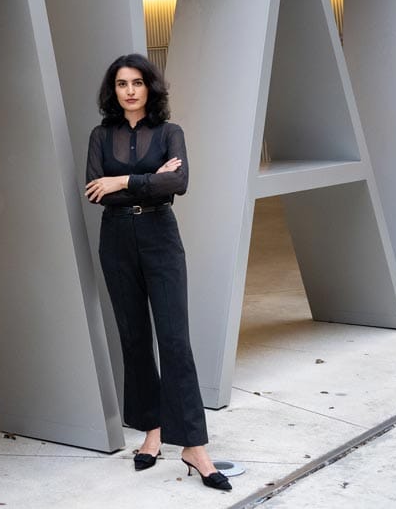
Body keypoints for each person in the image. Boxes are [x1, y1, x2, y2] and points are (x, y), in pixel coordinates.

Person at [84, 53, 231, 492]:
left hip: (160, 237)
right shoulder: (100, 135)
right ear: (114, 91)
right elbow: (95, 191)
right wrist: (147, 178)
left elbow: (178, 184)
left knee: (174, 339)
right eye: (121, 84)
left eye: (137, 83)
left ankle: (194, 447)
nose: (129, 91)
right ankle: (153, 431)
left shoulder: (170, 133)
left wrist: (124, 181)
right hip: (116, 239)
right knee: (133, 337)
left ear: (150, 87)